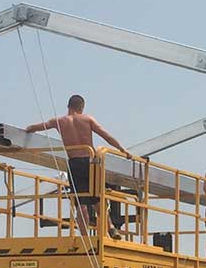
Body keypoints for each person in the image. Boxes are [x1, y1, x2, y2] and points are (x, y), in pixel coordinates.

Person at [25, 95, 130, 236]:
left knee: (81, 203)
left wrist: (28, 129)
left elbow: (35, 127)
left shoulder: (59, 121)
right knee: (98, 197)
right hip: (90, 162)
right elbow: (106, 136)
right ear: (81, 107)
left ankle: (85, 236)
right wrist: (123, 150)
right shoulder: (87, 119)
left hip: (74, 163)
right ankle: (110, 227)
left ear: (68, 106)